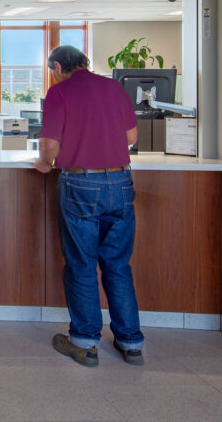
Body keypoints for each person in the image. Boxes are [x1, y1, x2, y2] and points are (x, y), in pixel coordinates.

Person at [33, 45, 144, 368]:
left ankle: (84, 342)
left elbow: (50, 145)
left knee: (82, 263)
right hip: (120, 183)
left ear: (56, 67)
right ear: (85, 63)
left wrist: (44, 162)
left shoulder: (59, 92)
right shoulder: (114, 87)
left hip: (81, 184)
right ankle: (130, 341)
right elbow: (131, 136)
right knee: (118, 264)